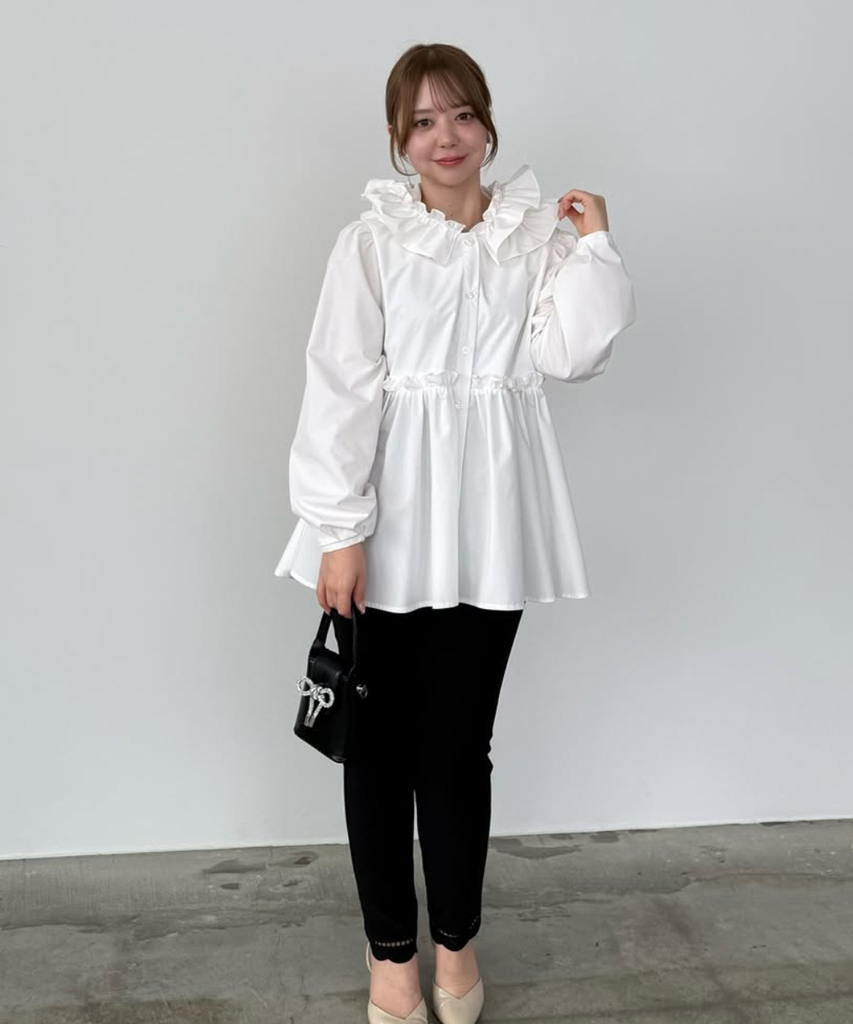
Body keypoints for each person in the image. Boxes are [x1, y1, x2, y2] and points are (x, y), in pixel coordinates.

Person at [274, 42, 637, 1024]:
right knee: (377, 748)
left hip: (491, 520)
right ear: (399, 139)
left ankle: (456, 941)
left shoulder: (533, 237)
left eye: (462, 115)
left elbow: (570, 355)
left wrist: (594, 246)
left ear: (487, 125)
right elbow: (339, 384)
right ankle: (390, 951)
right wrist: (338, 529)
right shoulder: (372, 243)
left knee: (458, 747)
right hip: (388, 517)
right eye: (423, 121)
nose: (446, 137)